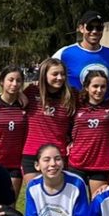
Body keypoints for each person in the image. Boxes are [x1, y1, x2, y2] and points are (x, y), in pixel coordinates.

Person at [21, 58, 76, 190]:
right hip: (31, 153)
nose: (60, 77)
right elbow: (9, 98)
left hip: (58, 154)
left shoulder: (72, 96)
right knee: (36, 196)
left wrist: (73, 140)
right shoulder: (31, 91)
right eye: (55, 74)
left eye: (62, 74)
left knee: (56, 198)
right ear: (44, 75)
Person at [67, 70, 109, 196]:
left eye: (103, 87)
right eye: (95, 86)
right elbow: (64, 126)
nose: (99, 90)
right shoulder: (76, 106)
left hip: (101, 165)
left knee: (96, 206)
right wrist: (68, 141)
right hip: (76, 163)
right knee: (77, 206)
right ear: (86, 87)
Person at [0, 66, 30, 197]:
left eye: (18, 81)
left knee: (10, 204)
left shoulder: (25, 104)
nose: (14, 84)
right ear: (1, 82)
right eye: (10, 80)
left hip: (15, 164)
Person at [52, 10, 109, 91]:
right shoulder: (65, 53)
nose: (94, 31)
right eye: (90, 27)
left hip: (103, 103)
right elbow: (45, 76)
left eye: (99, 28)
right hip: (74, 103)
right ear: (81, 28)